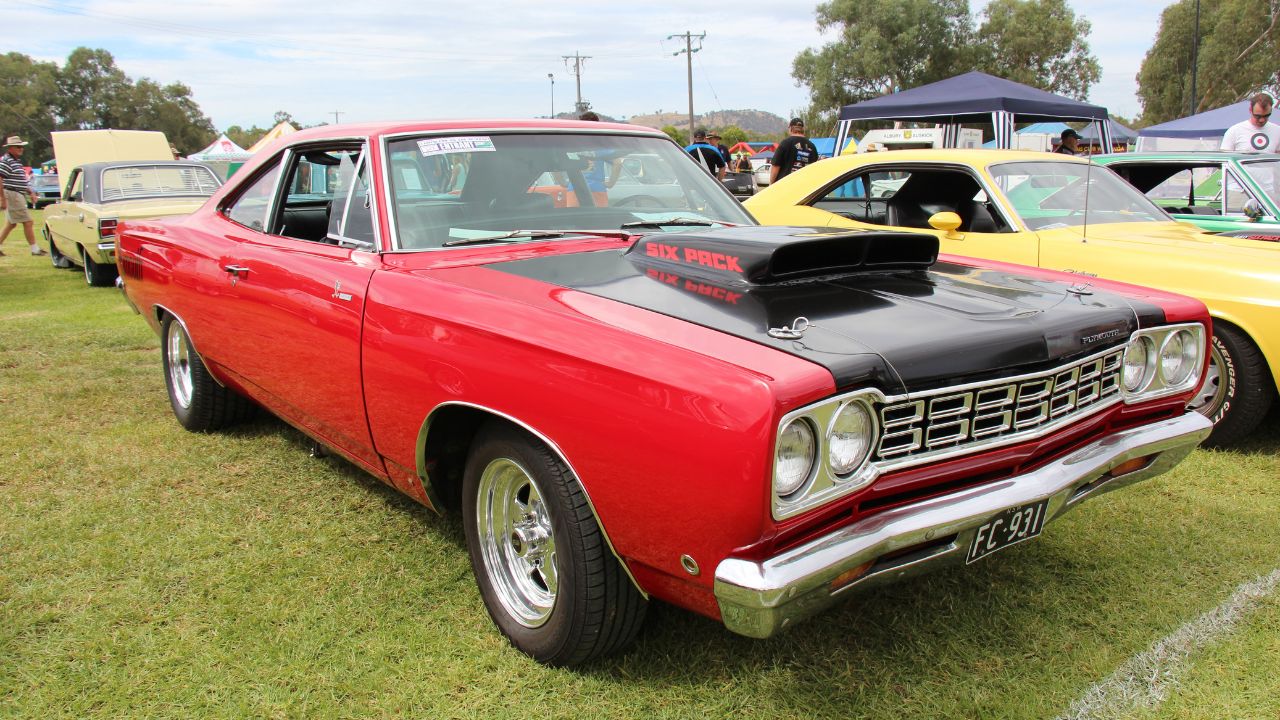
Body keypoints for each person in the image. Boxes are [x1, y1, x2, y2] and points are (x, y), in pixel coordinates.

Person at [0, 135, 45, 257]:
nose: (21, 149)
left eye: (21, 147)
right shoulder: (6, 161)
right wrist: (2, 198)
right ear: (10, 148)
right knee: (28, 222)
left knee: (11, 224)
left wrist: (31, 192)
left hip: (16, 193)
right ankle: (35, 250)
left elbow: (20, 180)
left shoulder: (16, 161)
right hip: (12, 194)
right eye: (18, 147)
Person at [770, 118, 819, 184]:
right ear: (803, 129)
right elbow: (814, 168)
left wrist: (771, 183)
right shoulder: (812, 146)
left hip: (785, 186)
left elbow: (776, 166)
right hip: (805, 186)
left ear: (790, 129)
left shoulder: (785, 143)